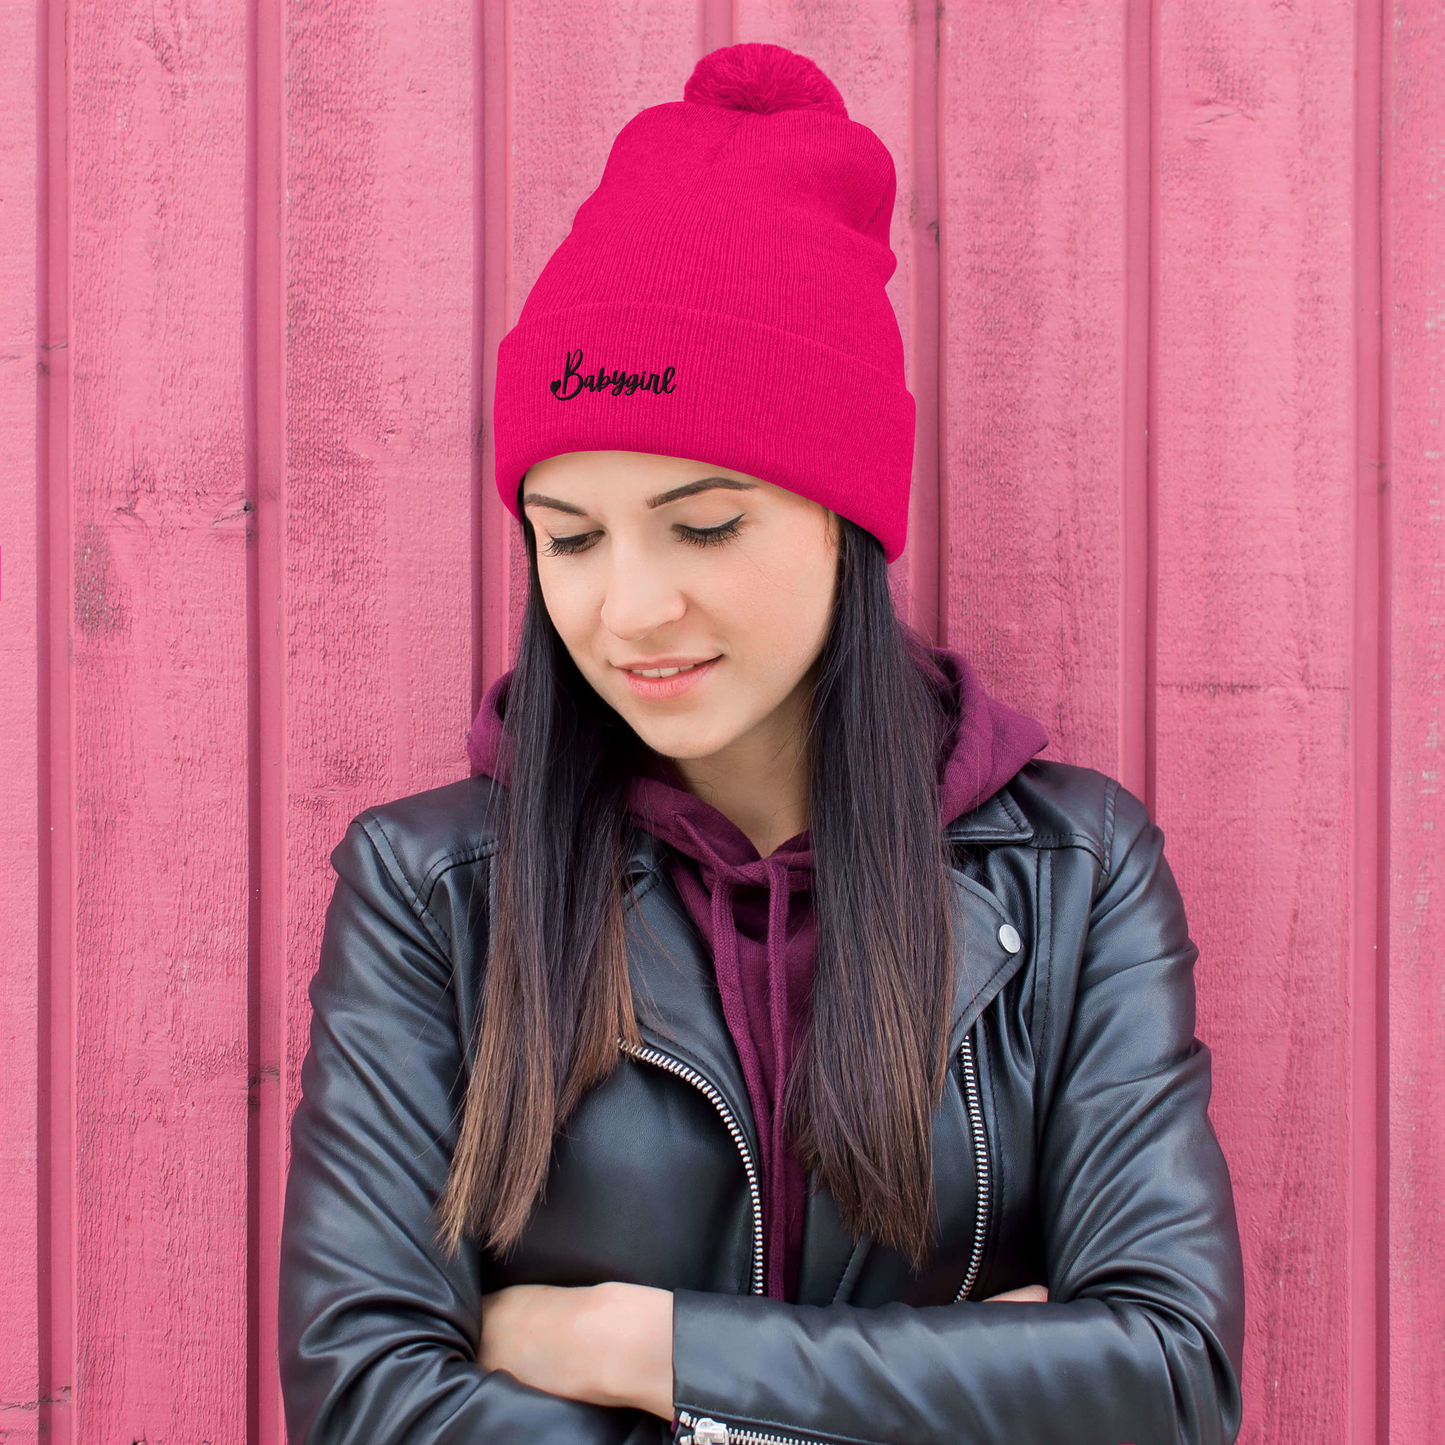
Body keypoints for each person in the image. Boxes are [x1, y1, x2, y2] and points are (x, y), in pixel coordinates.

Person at [278, 41, 1245, 1445]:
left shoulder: (1074, 870)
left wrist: (631, 1341)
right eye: (570, 538)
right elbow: (369, 1402)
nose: (630, 608)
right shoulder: (434, 893)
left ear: (845, 521)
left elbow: (1167, 1380)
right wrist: (966, 1379)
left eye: (706, 525)